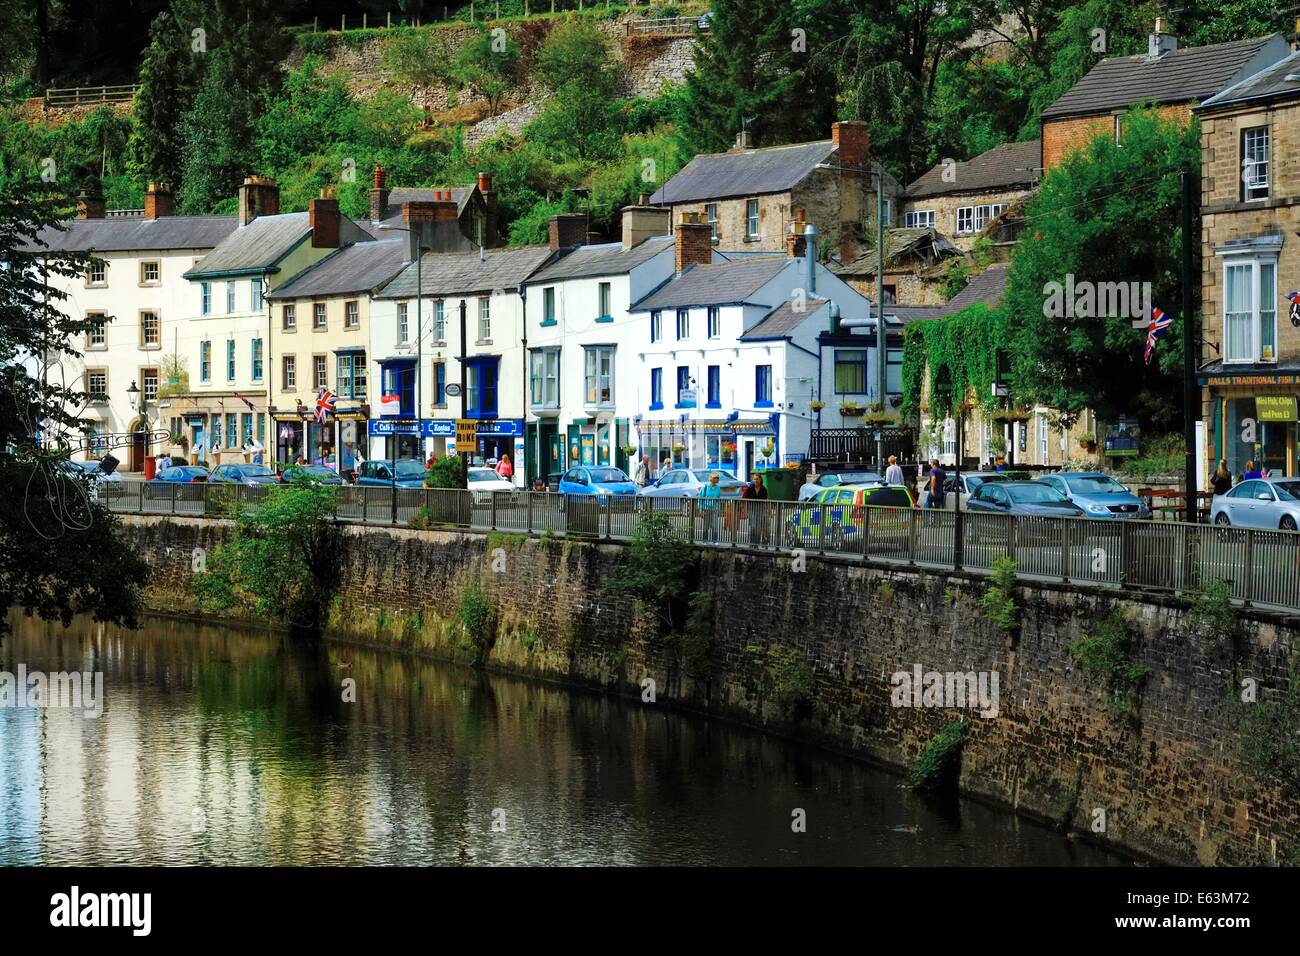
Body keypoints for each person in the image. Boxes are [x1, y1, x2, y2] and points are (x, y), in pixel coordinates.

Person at [741, 472, 769, 545]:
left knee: (759, 527)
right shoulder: (750, 488)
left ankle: (757, 543)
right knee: (753, 527)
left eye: (757, 479)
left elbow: (765, 500)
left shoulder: (763, 489)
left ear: (760, 480)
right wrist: (744, 510)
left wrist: (767, 511)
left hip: (760, 511)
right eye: (754, 479)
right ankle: (752, 542)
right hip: (751, 510)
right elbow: (744, 498)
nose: (756, 480)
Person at [698, 472, 723, 543]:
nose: (718, 479)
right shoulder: (705, 486)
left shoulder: (718, 487)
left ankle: (715, 540)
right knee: (706, 525)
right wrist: (700, 509)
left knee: (715, 525)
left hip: (714, 509)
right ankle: (705, 540)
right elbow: (700, 498)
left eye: (718, 478)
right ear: (712, 479)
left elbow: (718, 498)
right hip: (706, 509)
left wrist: (718, 508)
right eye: (716, 478)